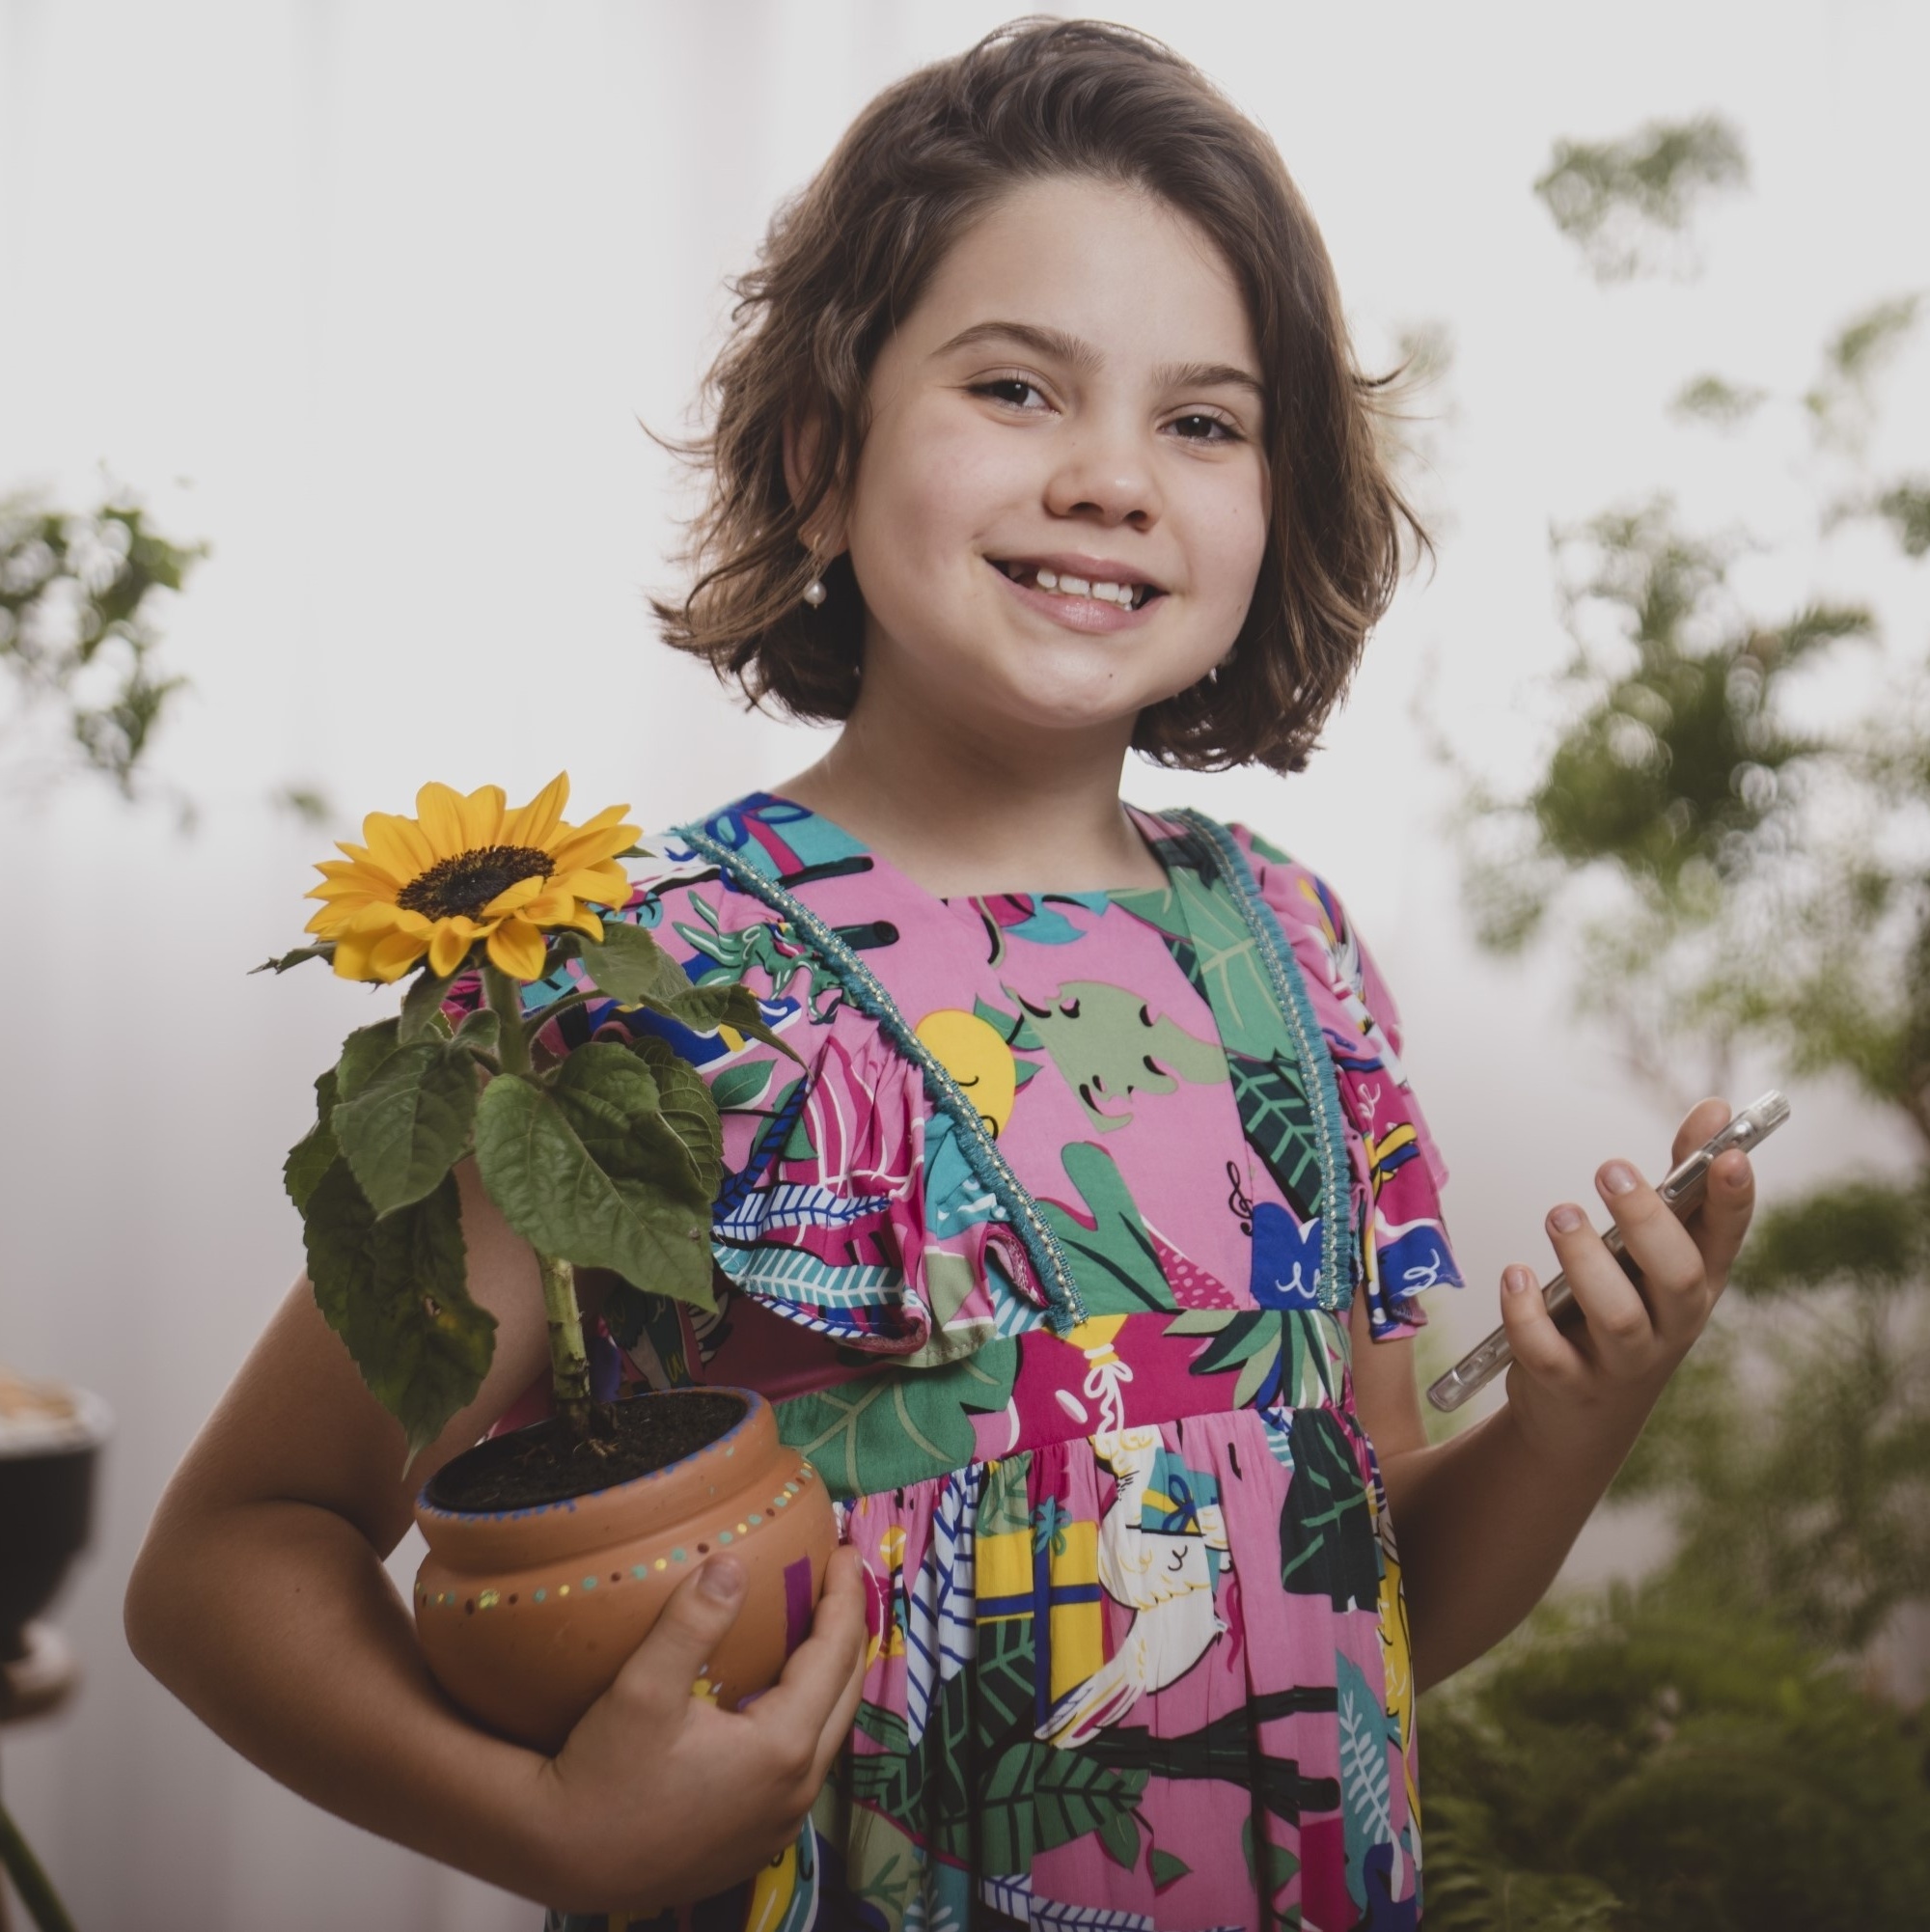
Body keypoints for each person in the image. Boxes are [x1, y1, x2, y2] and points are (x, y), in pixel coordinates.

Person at [125, 20, 1758, 1930]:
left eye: (1202, 421)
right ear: (825, 452)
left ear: (1273, 496)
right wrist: (550, 1831)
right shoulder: (636, 995)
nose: (1110, 478)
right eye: (1015, 385)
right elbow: (231, 1558)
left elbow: (1359, 1581)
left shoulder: (1300, 956)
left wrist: (1574, 1415)